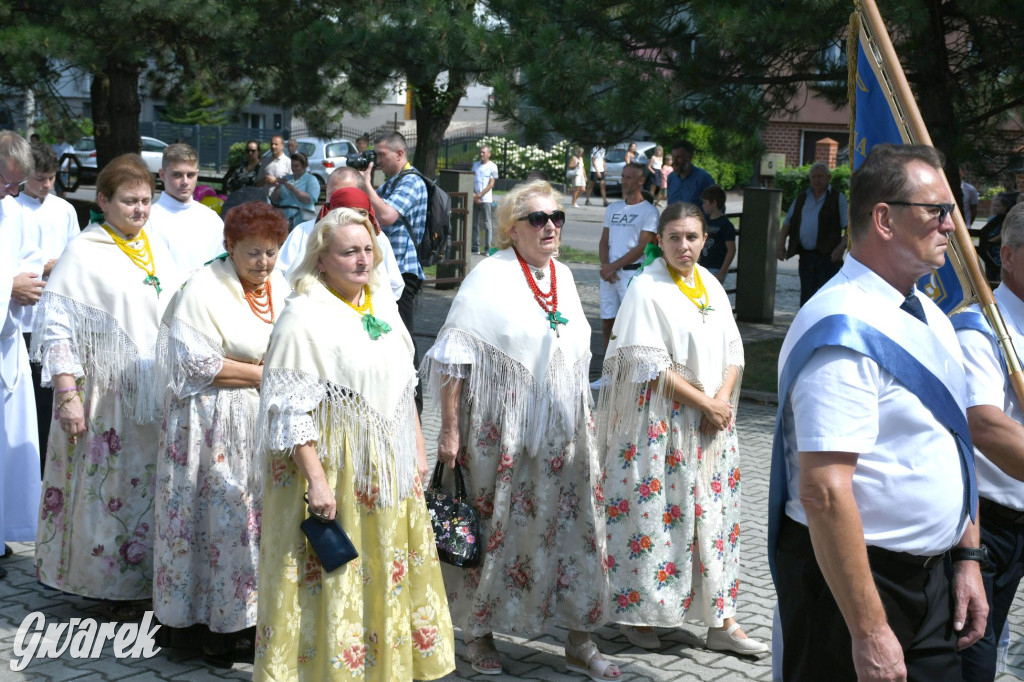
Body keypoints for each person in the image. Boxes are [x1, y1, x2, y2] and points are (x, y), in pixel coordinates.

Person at [770, 144, 987, 680]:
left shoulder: (929, 314)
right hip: (856, 589)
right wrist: (868, 631)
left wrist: (967, 558)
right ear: (884, 219)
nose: (952, 227)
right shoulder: (841, 328)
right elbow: (824, 491)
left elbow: (954, 443)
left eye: (954, 210)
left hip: (932, 582)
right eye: (937, 211)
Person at [422, 180, 617, 680]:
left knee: (574, 530)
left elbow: (573, 355)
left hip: (563, 434)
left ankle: (579, 635)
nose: (550, 225)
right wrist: (448, 431)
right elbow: (453, 357)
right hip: (498, 434)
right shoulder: (488, 276)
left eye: (556, 217)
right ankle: (478, 633)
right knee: (492, 530)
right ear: (512, 229)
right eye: (537, 218)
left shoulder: (565, 277)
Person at [253, 207, 455, 681]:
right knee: (333, 578)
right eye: (350, 252)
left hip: (386, 469)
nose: (363, 261)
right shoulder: (302, 317)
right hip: (333, 471)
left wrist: (417, 453)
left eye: (368, 250)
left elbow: (405, 387)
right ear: (321, 260)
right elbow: (289, 412)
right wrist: (319, 483)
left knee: (384, 571)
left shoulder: (381, 307)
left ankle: (383, 668)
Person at [597, 201, 767, 656]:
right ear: (660, 240)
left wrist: (721, 401)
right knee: (659, 518)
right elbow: (647, 364)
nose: (683, 245)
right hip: (664, 426)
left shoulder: (710, 283)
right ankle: (643, 613)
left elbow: (734, 349)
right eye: (673, 237)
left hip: (712, 427)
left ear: (705, 240)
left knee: (715, 519)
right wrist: (706, 402)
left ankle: (721, 619)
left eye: (692, 237)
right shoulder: (645, 287)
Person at [31, 154, 184, 616]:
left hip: (154, 392)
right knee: (108, 490)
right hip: (103, 396)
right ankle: (101, 585)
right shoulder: (85, 250)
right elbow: (57, 327)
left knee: (147, 489)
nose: (140, 210)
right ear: (103, 201)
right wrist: (67, 396)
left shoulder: (155, 243)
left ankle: (146, 583)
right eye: (129, 201)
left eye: (146, 201)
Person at [154, 201, 289, 667]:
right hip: (209, 427)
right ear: (230, 246)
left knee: (251, 525)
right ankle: (206, 628)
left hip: (260, 423)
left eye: (271, 252)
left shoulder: (279, 285)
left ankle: (248, 623)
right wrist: (262, 372)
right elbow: (196, 364)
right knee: (217, 523)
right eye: (253, 253)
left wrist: (259, 371)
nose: (263, 263)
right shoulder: (204, 288)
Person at [955, 202, 1024, 681]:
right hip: (988, 529)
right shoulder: (981, 329)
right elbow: (986, 424)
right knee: (974, 659)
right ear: (1009, 255)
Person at [15, 143, 80, 471]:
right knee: (24, 403)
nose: (47, 185)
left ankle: (46, 465)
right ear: (26, 176)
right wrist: (44, 266)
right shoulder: (14, 208)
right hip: (21, 320)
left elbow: (76, 253)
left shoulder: (64, 210)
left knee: (50, 397)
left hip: (53, 318)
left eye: (52, 178)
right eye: (40, 178)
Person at [359, 132, 426, 408]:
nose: (377, 161)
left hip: (404, 271)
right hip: (386, 272)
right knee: (388, 335)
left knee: (404, 338)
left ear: (400, 154)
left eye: (381, 155)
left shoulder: (412, 182)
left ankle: (414, 406)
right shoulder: (390, 184)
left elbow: (386, 215)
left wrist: (365, 184)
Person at [0, 131, 40, 581]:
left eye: (16, 185)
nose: (10, 193)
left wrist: (24, 278)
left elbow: (24, 257)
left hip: (7, 341)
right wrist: (9, 287)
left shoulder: (10, 209)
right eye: (5, 182)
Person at [277, 166, 404, 301]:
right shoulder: (303, 232)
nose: (338, 203)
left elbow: (394, 286)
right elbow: (280, 274)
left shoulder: (377, 238)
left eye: (345, 195)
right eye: (332, 196)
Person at [598, 162, 659, 354]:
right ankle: (609, 371)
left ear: (641, 180)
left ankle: (630, 370)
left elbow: (642, 246)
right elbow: (604, 241)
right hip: (610, 275)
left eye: (629, 177)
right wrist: (606, 266)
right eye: (623, 176)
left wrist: (612, 266)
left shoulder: (649, 211)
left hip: (630, 274)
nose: (624, 181)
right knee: (608, 322)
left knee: (630, 325)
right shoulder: (613, 208)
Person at [777, 162, 849, 305]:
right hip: (806, 256)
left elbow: (849, 228)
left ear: (828, 178)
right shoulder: (802, 197)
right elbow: (787, 223)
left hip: (828, 258)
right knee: (806, 297)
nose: (816, 180)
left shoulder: (837, 198)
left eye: (820, 176)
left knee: (825, 297)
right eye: (813, 177)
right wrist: (780, 245)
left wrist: (841, 247)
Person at [148, 143, 224, 275]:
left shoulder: (211, 218)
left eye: (190, 175)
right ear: (162, 175)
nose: (185, 182)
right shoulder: (149, 219)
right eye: (177, 175)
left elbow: (224, 264)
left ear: (197, 174)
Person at [270, 151, 319, 229]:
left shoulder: (311, 179)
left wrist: (294, 189)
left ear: (304, 166)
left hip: (303, 216)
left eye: (296, 166)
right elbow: (275, 200)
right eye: (292, 166)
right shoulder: (286, 178)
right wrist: (277, 188)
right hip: (284, 216)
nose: (293, 169)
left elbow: (310, 199)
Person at [698, 185, 736, 284]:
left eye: (705, 202)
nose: (703, 205)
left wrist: (722, 272)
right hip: (702, 266)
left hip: (716, 268)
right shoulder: (705, 221)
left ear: (714, 203)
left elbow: (731, 250)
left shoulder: (725, 225)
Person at [666, 141, 714, 207]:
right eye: (673, 157)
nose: (675, 161)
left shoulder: (704, 179)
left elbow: (717, 209)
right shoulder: (671, 178)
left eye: (679, 157)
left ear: (690, 157)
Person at [471, 145, 499, 255]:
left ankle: (487, 248)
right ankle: (475, 247)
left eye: (484, 152)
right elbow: (471, 181)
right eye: (480, 152)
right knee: (475, 223)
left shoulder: (493, 166)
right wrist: (474, 196)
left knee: (487, 224)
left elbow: (491, 184)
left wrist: (480, 195)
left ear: (489, 154)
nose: (481, 154)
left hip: (486, 199)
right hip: (475, 198)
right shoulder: (475, 165)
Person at [51, 133, 75, 197]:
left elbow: (72, 158)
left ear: (63, 139)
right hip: (56, 168)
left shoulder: (68, 147)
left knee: (63, 187)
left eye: (60, 138)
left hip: (64, 168)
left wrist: (67, 167)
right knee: (57, 187)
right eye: (58, 138)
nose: (59, 139)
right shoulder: (54, 146)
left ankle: (64, 200)